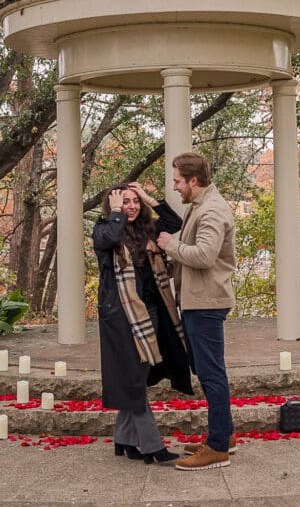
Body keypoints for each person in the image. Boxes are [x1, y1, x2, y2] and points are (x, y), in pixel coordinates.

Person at [92, 181, 192, 465]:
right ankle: (152, 446)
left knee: (137, 376)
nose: (132, 206)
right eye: (125, 202)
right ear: (113, 205)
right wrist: (115, 212)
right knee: (134, 377)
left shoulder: (149, 230)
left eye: (135, 201)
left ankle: (124, 440)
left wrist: (150, 198)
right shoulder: (103, 229)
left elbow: (175, 221)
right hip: (123, 314)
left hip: (152, 309)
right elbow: (110, 238)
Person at [157, 152, 236, 471]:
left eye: (177, 181)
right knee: (209, 371)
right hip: (198, 301)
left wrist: (170, 245)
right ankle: (224, 435)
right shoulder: (200, 206)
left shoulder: (212, 211)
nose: (174, 187)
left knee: (210, 373)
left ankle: (217, 449)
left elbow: (204, 255)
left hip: (206, 303)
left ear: (193, 180)